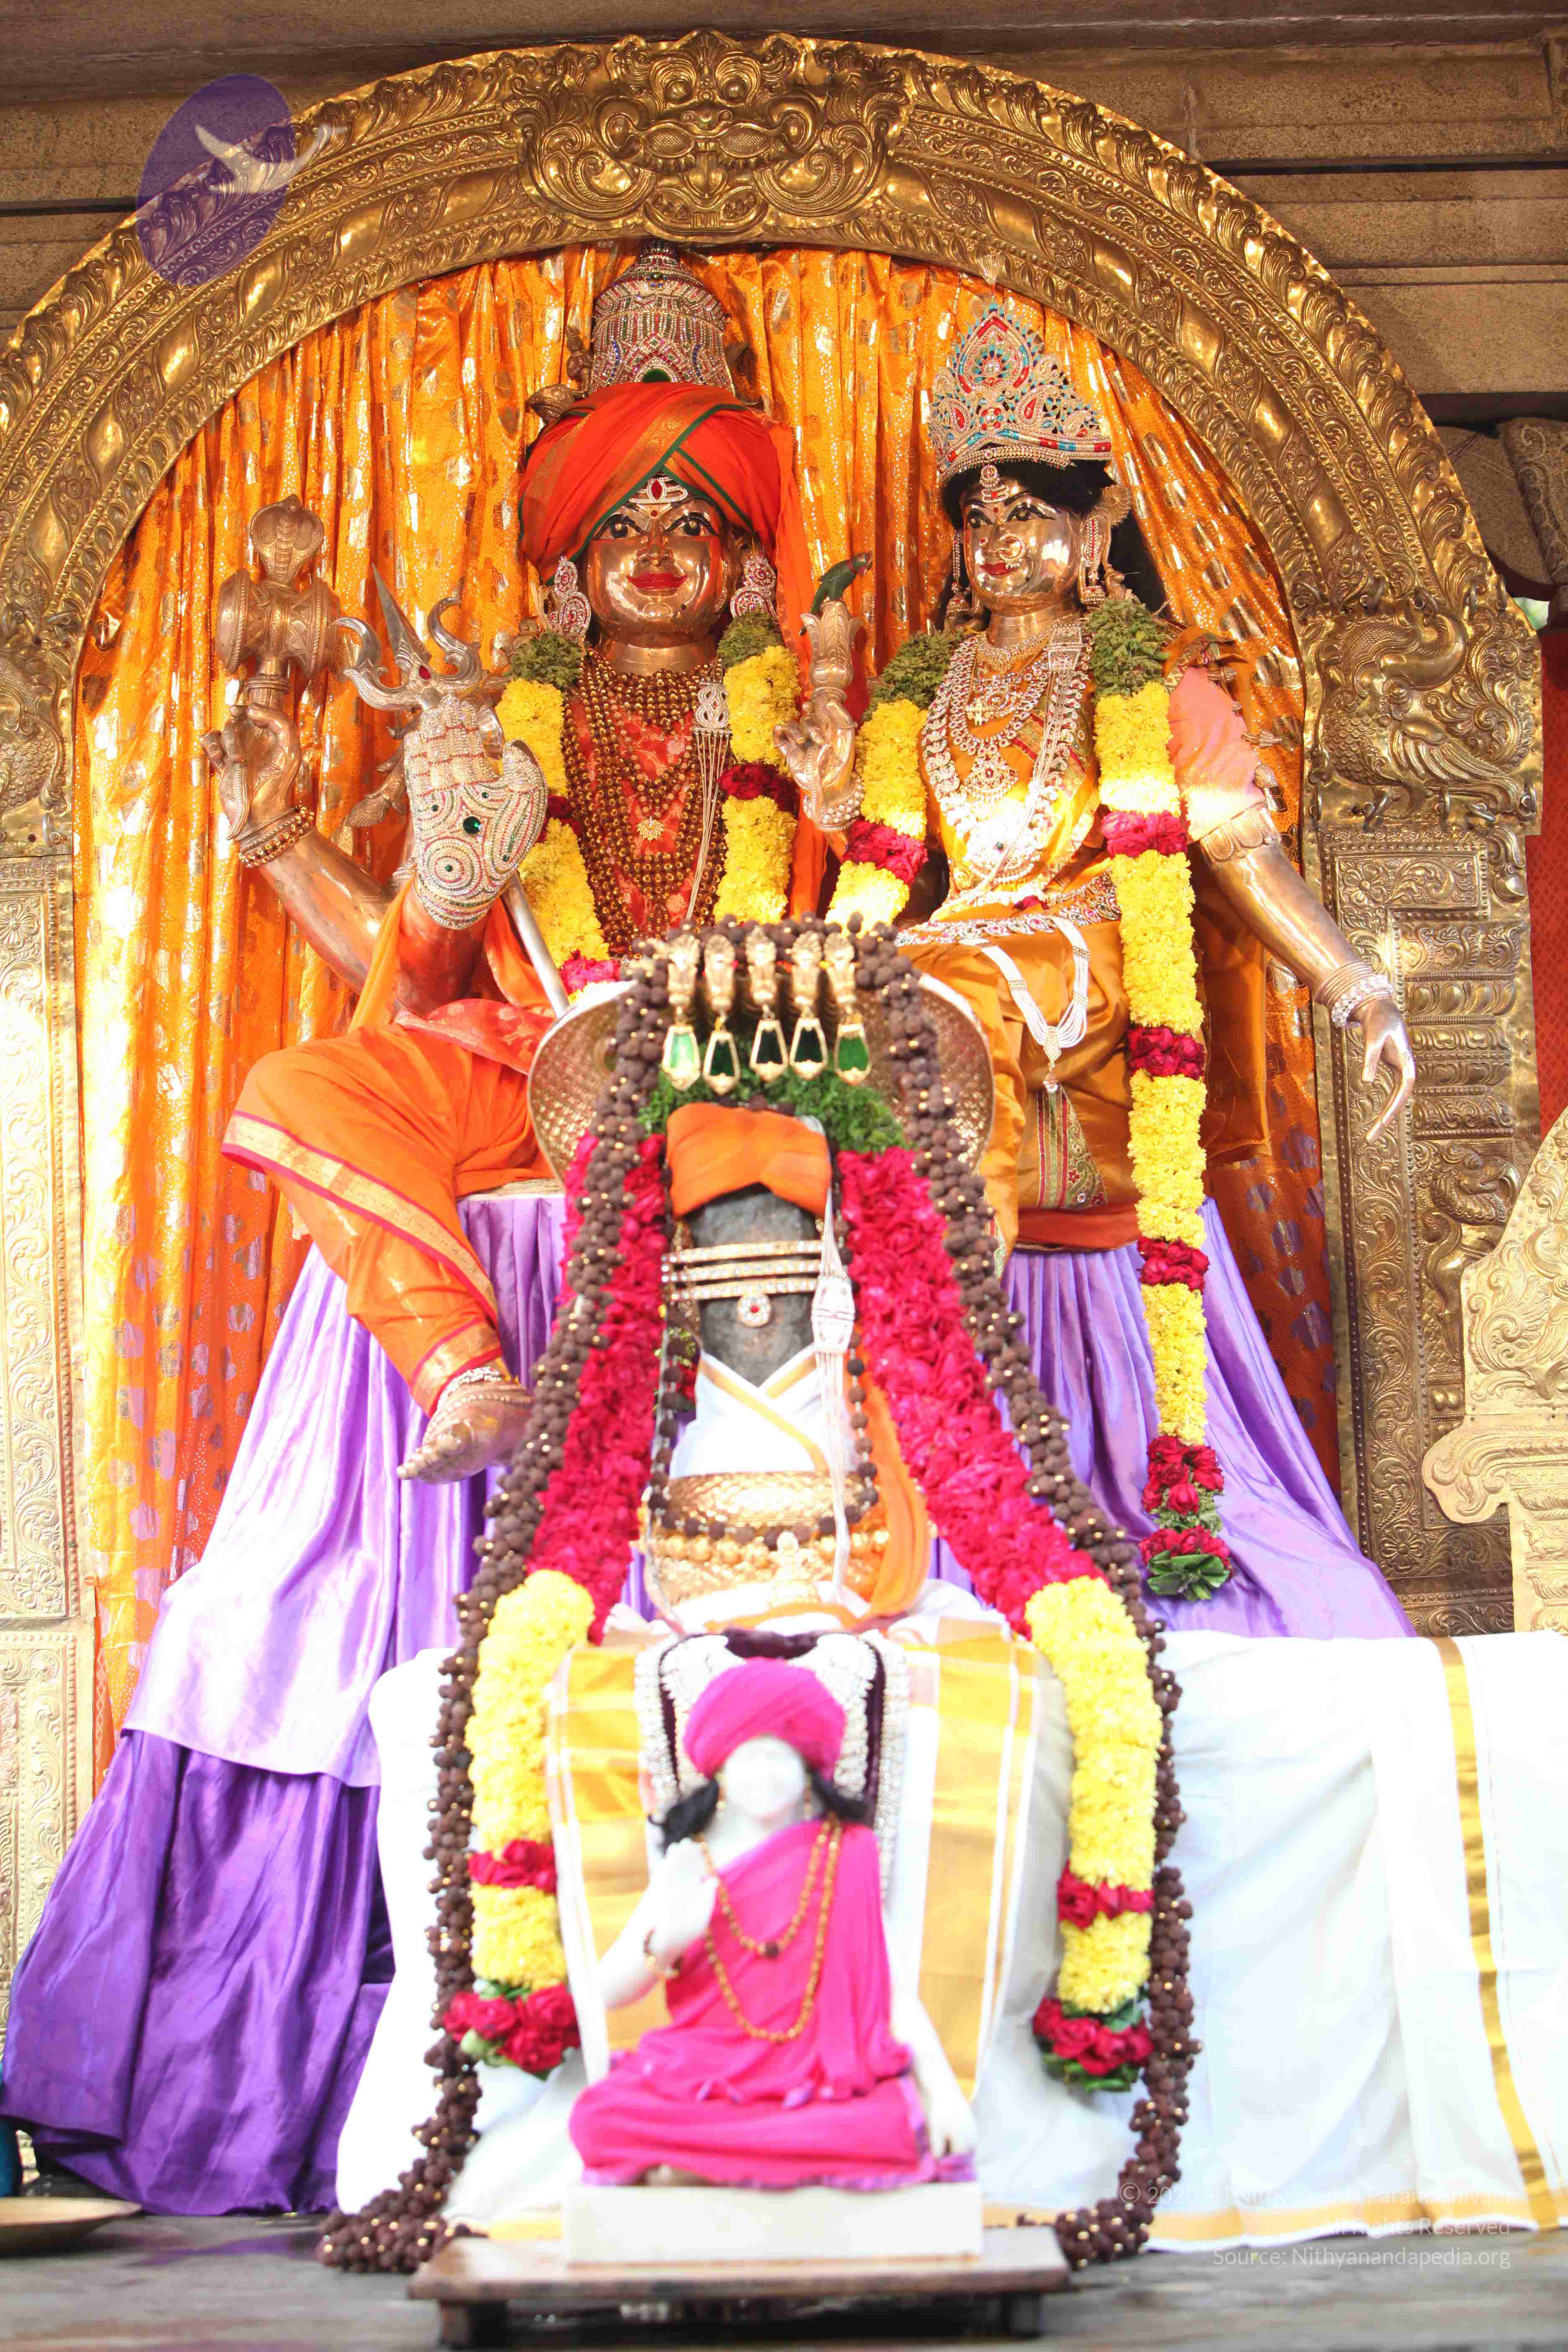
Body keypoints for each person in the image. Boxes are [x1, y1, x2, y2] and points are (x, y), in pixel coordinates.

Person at [776, 305, 1417, 1640]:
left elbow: (1242, 856)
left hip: (1093, 949)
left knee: (946, 995)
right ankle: (842, 1364)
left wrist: (1355, 982)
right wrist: (835, 809)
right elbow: (889, 872)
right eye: (977, 517)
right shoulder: (921, 689)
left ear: (1099, 519)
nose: (997, 540)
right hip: (956, 949)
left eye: (1027, 510)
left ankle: (944, 1318)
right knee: (825, 994)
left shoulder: (1154, 682)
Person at [217, 245, 819, 1482]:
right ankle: (466, 1374)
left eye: (689, 523)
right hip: (541, 1065)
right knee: (298, 1085)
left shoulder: (805, 722)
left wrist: (838, 799)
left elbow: (866, 915)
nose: (654, 554)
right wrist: (402, 872)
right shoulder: (507, 729)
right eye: (621, 525)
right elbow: (421, 986)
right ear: (570, 569)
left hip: (747, 1061)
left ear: (747, 563)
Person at [570, 1659, 975, 2189]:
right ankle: (748, 2160)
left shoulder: (843, 1855)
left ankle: (701, 2165)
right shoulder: (693, 1862)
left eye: (781, 1758)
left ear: (808, 1772)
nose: (765, 1774)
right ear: (719, 1769)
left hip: (821, 2081)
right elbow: (606, 1990)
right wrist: (670, 1937)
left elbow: (894, 1992)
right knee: (600, 2119)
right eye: (751, 1757)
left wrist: (943, 2093)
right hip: (705, 2073)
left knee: (888, 2123)